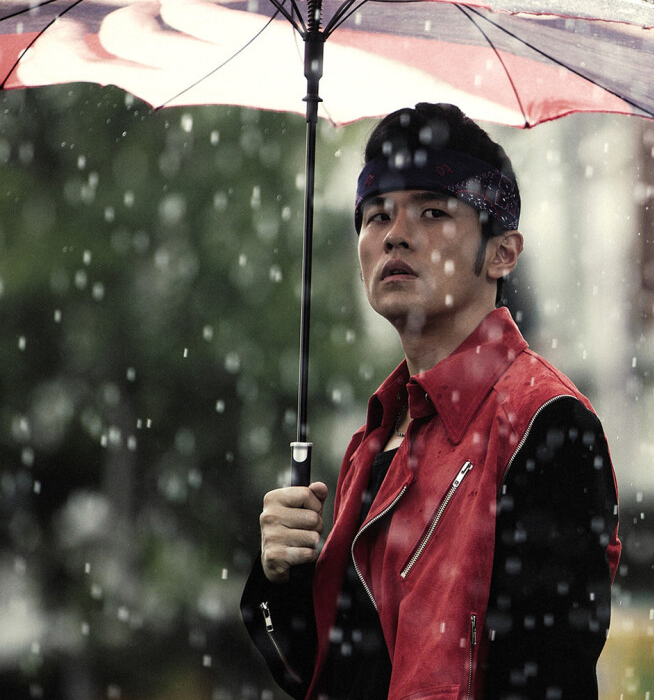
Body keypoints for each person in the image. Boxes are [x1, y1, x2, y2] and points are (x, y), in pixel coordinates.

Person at [241, 102, 621, 700]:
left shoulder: (544, 421)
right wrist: (280, 576)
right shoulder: (371, 439)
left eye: (433, 211)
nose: (395, 233)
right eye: (375, 215)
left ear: (502, 252)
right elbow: (322, 673)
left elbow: (550, 672)